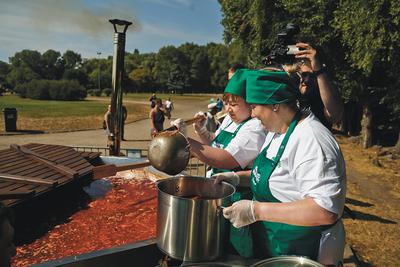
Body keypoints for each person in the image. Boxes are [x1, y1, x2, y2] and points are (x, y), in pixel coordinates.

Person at [216, 69, 346, 266]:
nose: (252, 114)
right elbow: (281, 177)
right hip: (272, 243)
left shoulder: (312, 140)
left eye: (254, 106)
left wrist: (256, 211)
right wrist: (237, 178)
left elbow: (324, 209)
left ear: (275, 104)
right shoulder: (277, 129)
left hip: (300, 249)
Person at [172, 69, 266, 257]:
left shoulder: (255, 128)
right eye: (227, 103)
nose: (228, 109)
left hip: (237, 196)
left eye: (235, 104)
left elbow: (225, 158)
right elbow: (214, 143)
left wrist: (184, 141)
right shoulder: (232, 120)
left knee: (232, 248)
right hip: (217, 189)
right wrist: (201, 131)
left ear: (251, 104)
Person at [289, 42, 344, 129]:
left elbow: (335, 115)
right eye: (303, 75)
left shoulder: (323, 97)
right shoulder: (288, 91)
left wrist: (318, 70)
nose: (306, 81)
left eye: (312, 76)